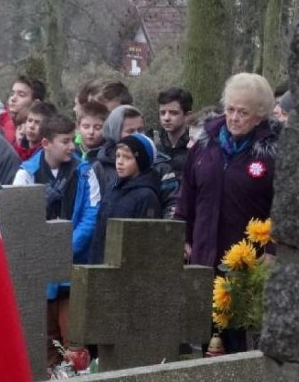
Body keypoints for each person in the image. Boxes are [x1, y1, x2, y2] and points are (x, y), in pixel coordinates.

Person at [175, 73, 278, 351]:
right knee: (201, 335)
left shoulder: (272, 152)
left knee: (237, 338)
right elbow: (187, 192)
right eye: (230, 109)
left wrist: (271, 250)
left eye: (243, 112)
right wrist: (182, 234)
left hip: (246, 263)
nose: (233, 117)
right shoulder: (205, 144)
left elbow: (282, 206)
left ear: (260, 115)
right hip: (203, 254)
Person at [13, 114, 100, 367]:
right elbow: (19, 218)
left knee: (74, 342)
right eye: (65, 141)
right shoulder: (26, 174)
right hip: (38, 274)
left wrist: (65, 247)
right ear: (46, 143)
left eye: (72, 140)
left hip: (72, 269)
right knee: (45, 344)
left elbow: (92, 214)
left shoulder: (84, 172)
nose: (72, 146)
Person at [90, 133, 162, 264]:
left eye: (127, 157)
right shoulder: (113, 188)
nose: (120, 162)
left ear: (141, 161)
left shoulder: (146, 196)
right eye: (117, 156)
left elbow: (145, 241)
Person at [154, 87, 193, 179]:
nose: (166, 118)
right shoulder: (155, 149)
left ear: (187, 116)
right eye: (162, 113)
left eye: (173, 113)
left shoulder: (195, 148)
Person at [0, 75, 46, 144]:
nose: (13, 99)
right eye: (12, 94)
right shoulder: (2, 124)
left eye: (21, 95)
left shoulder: (44, 136)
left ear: (36, 103)